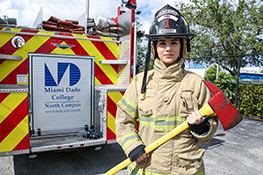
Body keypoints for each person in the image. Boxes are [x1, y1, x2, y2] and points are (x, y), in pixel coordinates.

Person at [115, 4, 218, 175]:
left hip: (185, 170)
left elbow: (212, 125)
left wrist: (201, 127)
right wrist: (132, 145)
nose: (168, 48)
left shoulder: (196, 83)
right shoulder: (141, 81)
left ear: (183, 46)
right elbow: (123, 120)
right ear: (154, 48)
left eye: (174, 42)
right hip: (145, 169)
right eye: (162, 43)